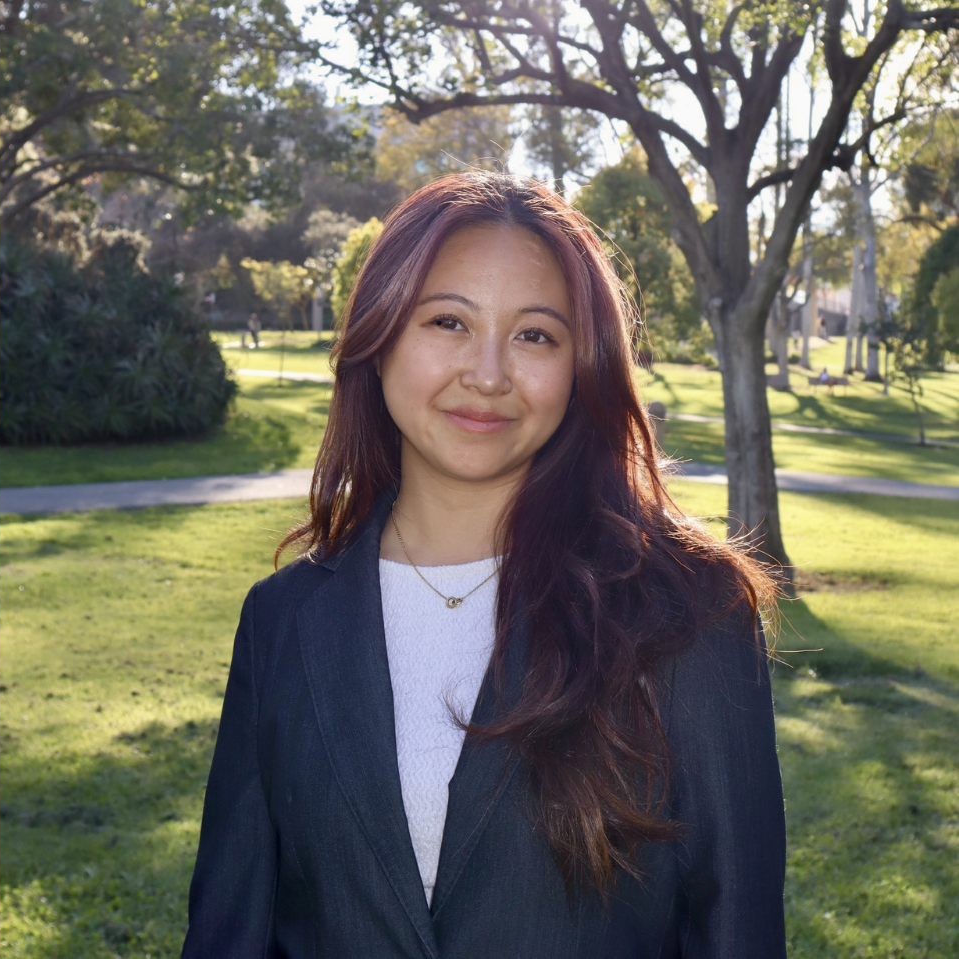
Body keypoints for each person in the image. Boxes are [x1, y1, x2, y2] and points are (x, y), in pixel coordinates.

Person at [181, 171, 785, 957]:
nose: (489, 374)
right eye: (448, 322)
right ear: (382, 331)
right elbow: (230, 932)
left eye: (535, 335)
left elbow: (735, 930)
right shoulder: (283, 620)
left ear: (582, 364)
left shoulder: (689, 613)